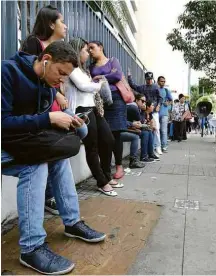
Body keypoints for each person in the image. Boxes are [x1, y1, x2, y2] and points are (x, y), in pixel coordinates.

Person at [1, 41, 106, 275]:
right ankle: (31, 247)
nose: (61, 82)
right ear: (46, 59)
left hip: (22, 142)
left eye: (66, 77)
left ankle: (72, 222)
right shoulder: (7, 72)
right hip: (4, 143)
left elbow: (38, 128)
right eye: (60, 73)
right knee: (36, 163)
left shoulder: (48, 85)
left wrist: (70, 120)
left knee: (58, 156)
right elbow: (2, 123)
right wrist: (48, 119)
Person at [21, 5, 88, 214]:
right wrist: (56, 94)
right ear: (51, 23)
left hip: (55, 106)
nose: (66, 26)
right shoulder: (34, 44)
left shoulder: (60, 48)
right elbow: (29, 75)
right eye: (62, 21)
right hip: (43, 108)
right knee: (55, 149)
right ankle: (50, 197)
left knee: (80, 131)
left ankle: (68, 213)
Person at [64, 38, 123, 197]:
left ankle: (106, 175)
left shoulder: (84, 70)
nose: (88, 53)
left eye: (89, 50)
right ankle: (101, 181)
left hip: (93, 109)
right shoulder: (71, 68)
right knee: (92, 147)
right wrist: (100, 84)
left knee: (108, 139)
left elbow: (89, 87)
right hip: (82, 110)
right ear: (77, 51)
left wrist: (96, 82)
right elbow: (83, 86)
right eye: (85, 50)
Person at [89, 41, 127, 180]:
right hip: (99, 101)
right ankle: (106, 167)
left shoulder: (112, 61)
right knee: (104, 135)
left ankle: (119, 166)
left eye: (92, 48)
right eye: (88, 49)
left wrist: (99, 77)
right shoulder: (91, 66)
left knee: (116, 134)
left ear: (101, 47)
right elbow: (90, 82)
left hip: (116, 99)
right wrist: (105, 77)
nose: (90, 51)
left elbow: (117, 76)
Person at [127, 70, 163, 155]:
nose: (149, 80)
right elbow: (133, 86)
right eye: (148, 79)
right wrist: (129, 77)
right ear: (145, 79)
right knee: (148, 128)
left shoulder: (156, 87)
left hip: (153, 111)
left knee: (156, 128)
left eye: (150, 79)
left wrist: (158, 105)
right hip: (144, 112)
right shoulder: (142, 87)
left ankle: (157, 147)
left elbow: (160, 98)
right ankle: (150, 150)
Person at [127, 94, 160, 162]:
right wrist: (143, 111)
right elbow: (139, 121)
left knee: (149, 131)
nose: (144, 103)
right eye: (142, 101)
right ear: (136, 100)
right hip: (127, 128)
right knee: (145, 133)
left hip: (132, 127)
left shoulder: (139, 109)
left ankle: (150, 153)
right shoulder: (134, 107)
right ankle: (144, 156)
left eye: (145, 101)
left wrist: (150, 124)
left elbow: (149, 122)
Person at [157, 76, 173, 152]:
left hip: (164, 114)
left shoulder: (166, 90)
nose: (163, 82)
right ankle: (157, 146)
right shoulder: (155, 89)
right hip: (155, 113)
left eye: (164, 81)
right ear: (158, 81)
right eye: (161, 81)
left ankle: (164, 146)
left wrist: (168, 103)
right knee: (157, 131)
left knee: (163, 131)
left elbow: (171, 101)